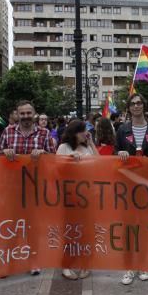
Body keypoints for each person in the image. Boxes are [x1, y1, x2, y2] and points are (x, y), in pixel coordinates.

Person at [0, 100, 56, 275]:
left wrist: (44, 154)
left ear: (34, 114)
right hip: (12, 187)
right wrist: (4, 153)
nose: (25, 117)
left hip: (34, 188)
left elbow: (54, 158)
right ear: (17, 114)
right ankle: (8, 262)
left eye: (28, 113)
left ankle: (34, 260)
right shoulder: (7, 132)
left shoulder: (44, 134)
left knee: (33, 226)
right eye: (22, 113)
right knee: (10, 226)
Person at [115, 93, 148, 285]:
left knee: (144, 227)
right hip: (127, 186)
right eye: (133, 104)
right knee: (127, 227)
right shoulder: (122, 129)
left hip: (147, 185)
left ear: (144, 106)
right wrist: (120, 152)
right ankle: (128, 267)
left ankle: (143, 264)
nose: (136, 106)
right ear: (129, 107)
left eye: (139, 103)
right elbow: (114, 152)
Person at [57, 119, 98, 279]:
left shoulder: (87, 146)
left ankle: (86, 263)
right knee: (70, 230)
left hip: (88, 195)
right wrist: (69, 159)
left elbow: (99, 162)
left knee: (87, 231)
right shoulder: (64, 147)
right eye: (83, 131)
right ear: (74, 133)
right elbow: (56, 168)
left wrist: (92, 143)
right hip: (69, 196)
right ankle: (66, 264)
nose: (86, 133)